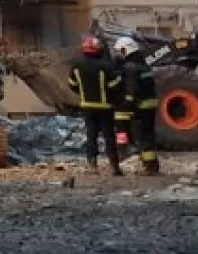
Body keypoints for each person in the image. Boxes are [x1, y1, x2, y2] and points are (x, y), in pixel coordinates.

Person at [68, 33, 123, 175]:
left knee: (91, 136)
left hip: (87, 107)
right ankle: (114, 167)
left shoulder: (76, 66)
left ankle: (92, 166)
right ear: (99, 50)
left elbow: (72, 84)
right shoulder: (106, 67)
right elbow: (115, 86)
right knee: (109, 137)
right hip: (105, 108)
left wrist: (84, 92)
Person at [112, 36, 161, 175]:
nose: (118, 55)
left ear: (125, 50)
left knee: (142, 136)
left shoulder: (130, 67)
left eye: (119, 51)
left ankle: (150, 167)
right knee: (148, 135)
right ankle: (152, 165)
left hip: (140, 105)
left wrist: (127, 104)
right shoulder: (144, 66)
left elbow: (131, 88)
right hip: (150, 104)